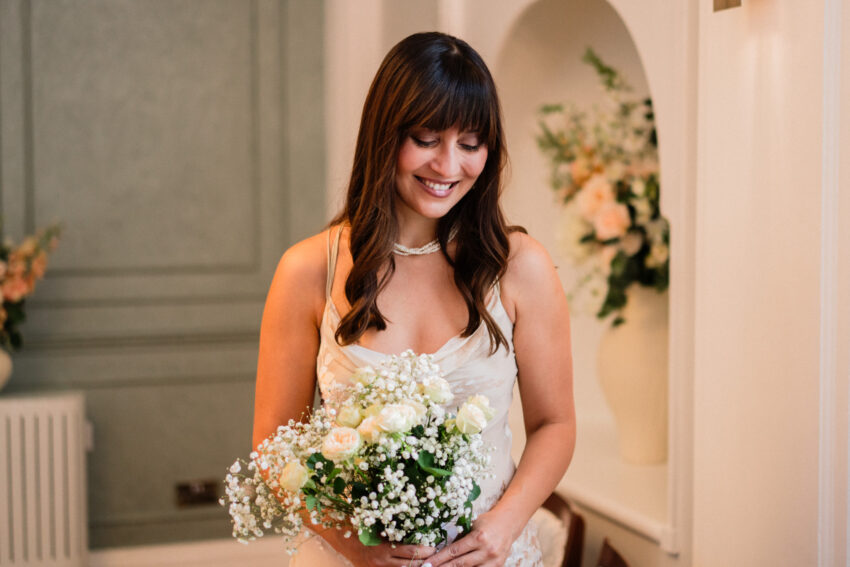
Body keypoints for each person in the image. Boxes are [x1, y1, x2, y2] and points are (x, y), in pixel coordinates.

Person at [253, 31, 575, 567]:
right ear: (386, 135)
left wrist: (503, 526)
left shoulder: (522, 267)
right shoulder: (308, 270)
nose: (449, 166)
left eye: (470, 144)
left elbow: (555, 426)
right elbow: (272, 445)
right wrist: (349, 544)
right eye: (427, 138)